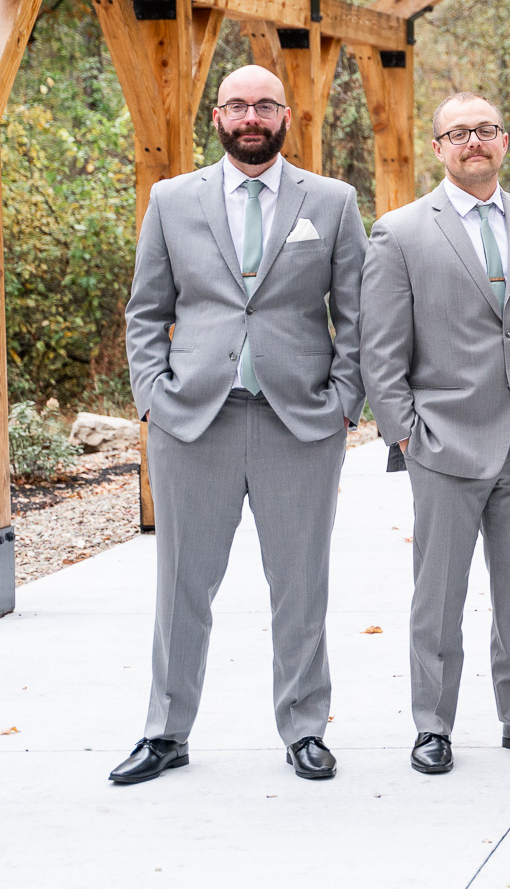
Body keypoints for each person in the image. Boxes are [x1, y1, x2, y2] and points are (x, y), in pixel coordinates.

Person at [111, 65, 367, 785]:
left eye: (264, 106)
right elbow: (145, 310)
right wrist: (152, 398)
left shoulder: (333, 201)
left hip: (300, 422)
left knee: (300, 585)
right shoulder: (171, 200)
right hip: (194, 421)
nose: (250, 117)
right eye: (236, 106)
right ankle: (166, 733)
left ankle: (305, 730)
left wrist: (345, 400)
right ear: (218, 117)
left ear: (286, 116)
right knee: (182, 586)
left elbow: (358, 313)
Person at [361, 92, 510, 775]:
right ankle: (433, 724)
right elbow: (380, 349)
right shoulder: (400, 232)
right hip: (444, 442)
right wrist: (405, 433)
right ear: (438, 148)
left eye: (485, 130)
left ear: (505, 141)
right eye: (458, 133)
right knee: (439, 595)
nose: (474, 142)